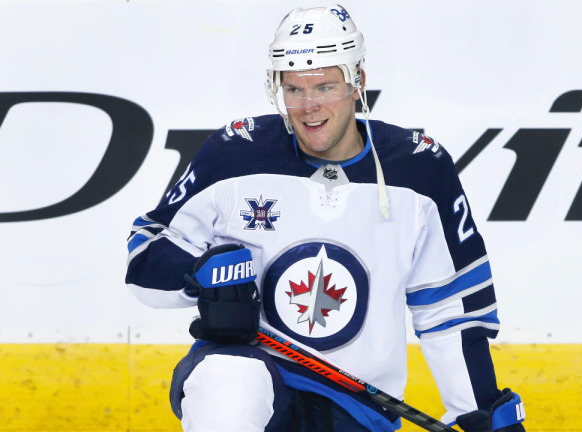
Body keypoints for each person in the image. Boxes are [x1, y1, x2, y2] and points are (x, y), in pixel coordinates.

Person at [125, 5, 525, 432]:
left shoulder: (418, 171)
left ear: (358, 83)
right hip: (254, 369)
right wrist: (199, 275)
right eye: (294, 89)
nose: (308, 107)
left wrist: (483, 414)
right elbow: (146, 258)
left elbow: (450, 308)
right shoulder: (234, 156)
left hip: (357, 406)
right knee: (227, 384)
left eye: (326, 87)